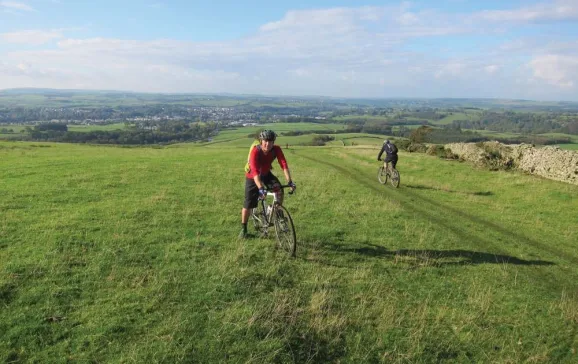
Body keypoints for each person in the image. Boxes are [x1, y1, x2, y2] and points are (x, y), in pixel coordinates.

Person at [240, 130, 296, 238]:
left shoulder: (276, 149)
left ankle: (277, 211)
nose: (268, 144)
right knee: (248, 204)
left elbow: (283, 164)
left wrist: (290, 181)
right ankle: (244, 230)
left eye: (271, 141)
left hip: (266, 174)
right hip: (252, 176)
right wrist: (260, 188)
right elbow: (255, 172)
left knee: (279, 189)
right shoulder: (255, 151)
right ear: (261, 141)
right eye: (265, 141)